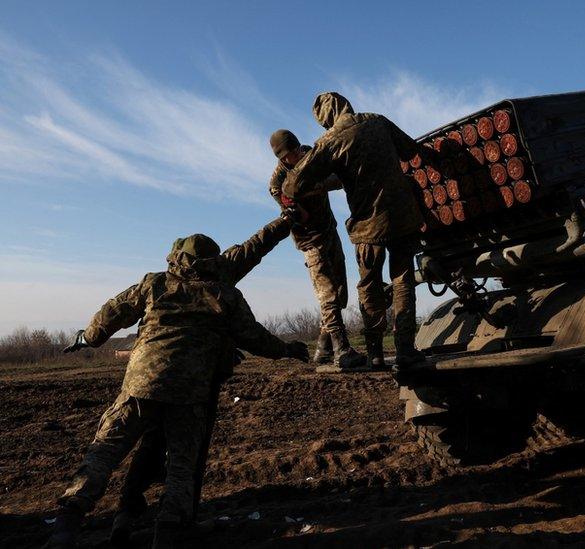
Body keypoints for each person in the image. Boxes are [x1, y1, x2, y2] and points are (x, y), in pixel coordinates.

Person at [47, 234, 309, 549]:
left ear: (176, 258)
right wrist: (289, 349)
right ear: (214, 263)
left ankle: (66, 527)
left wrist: (88, 338)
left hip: (141, 388)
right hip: (190, 396)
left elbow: (110, 314)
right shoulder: (225, 296)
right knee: (182, 470)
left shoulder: (153, 285)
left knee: (103, 455)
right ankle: (168, 534)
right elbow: (256, 338)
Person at [108, 215, 295, 544]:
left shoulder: (163, 282)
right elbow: (256, 246)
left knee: (151, 443)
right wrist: (286, 222)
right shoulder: (223, 274)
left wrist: (283, 223)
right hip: (200, 380)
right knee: (188, 455)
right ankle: (177, 523)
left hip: (152, 378)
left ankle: (126, 513)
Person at [283, 92, 428, 369]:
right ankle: (406, 349)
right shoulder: (378, 121)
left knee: (370, 285)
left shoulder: (329, 141)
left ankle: (375, 352)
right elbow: (410, 150)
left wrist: (324, 177)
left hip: (368, 226)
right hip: (402, 216)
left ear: (325, 119)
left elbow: (292, 186)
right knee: (403, 280)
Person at [269, 129, 367, 372]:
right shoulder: (279, 177)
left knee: (341, 292)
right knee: (328, 294)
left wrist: (314, 185)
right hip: (309, 240)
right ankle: (341, 350)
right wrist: (295, 202)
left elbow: (337, 178)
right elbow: (286, 201)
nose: (293, 157)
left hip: (329, 231)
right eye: (287, 155)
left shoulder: (313, 156)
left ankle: (323, 348)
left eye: (295, 151)